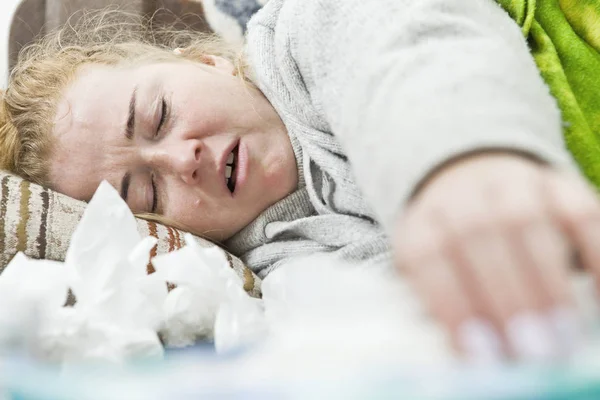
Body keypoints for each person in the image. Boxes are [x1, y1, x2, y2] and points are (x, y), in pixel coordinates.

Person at [1, 0, 600, 363]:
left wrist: (460, 164)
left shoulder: (308, 28)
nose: (181, 159)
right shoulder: (280, 277)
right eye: (147, 193)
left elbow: (400, 44)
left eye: (159, 116)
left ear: (201, 61)